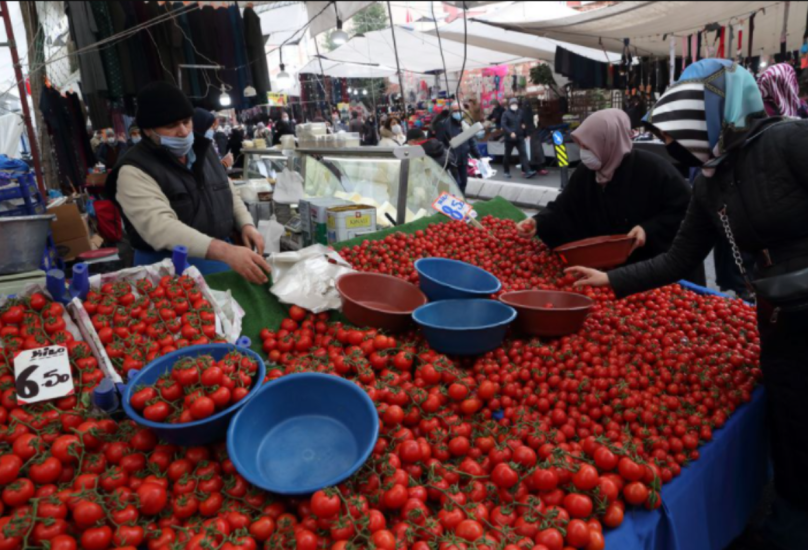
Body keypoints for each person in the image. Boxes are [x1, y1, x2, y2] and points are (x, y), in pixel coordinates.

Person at [564, 59, 808, 550]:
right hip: (779, 316)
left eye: (677, 132)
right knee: (792, 416)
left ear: (713, 116)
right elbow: (677, 258)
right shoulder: (710, 180)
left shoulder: (789, 142)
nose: (672, 145)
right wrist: (609, 279)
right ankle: (791, 519)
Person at [106, 82, 269, 283]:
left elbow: (226, 190)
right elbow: (161, 228)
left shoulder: (204, 150)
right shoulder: (134, 170)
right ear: (148, 130)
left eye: (186, 122)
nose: (183, 132)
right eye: (171, 126)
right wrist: (225, 251)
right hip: (168, 271)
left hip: (221, 260)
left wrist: (246, 224)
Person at [517, 109, 697, 273]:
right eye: (582, 146)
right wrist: (538, 222)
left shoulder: (654, 169)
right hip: (603, 267)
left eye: (588, 146)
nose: (583, 153)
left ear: (610, 142)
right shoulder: (586, 172)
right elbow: (563, 207)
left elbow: (685, 210)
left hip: (648, 269)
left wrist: (647, 229)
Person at [434, 102, 472, 193]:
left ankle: (462, 201)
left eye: (460, 110)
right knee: (455, 183)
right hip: (451, 159)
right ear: (451, 112)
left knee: (463, 182)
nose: (458, 113)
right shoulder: (443, 124)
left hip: (463, 158)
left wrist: (478, 156)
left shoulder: (464, 124)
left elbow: (471, 140)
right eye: (455, 111)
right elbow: (440, 142)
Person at [501, 98, 537, 179]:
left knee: (523, 154)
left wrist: (526, 133)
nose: (514, 105)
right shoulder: (505, 114)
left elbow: (524, 123)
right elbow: (503, 125)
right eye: (513, 104)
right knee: (507, 155)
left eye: (515, 104)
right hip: (509, 139)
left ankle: (527, 171)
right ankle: (506, 171)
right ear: (510, 105)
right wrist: (510, 132)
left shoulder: (521, 112)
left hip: (520, 137)